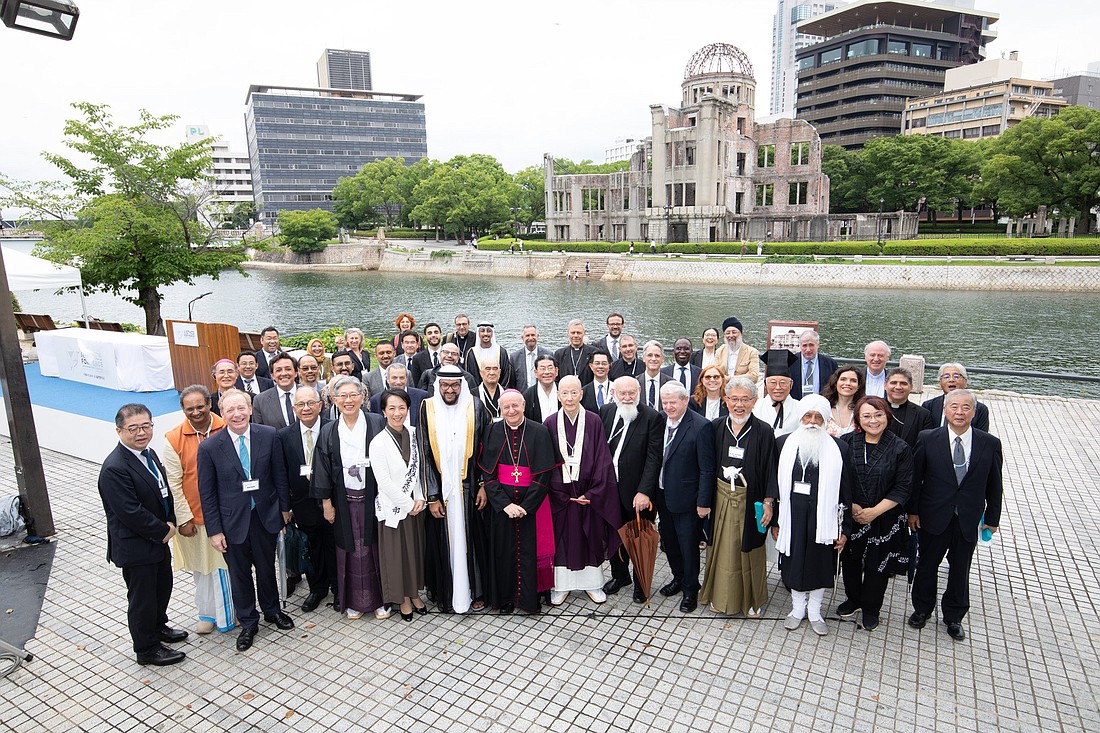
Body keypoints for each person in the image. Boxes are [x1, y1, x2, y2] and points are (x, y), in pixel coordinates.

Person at [197, 389, 293, 652]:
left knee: (266, 568)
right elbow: (207, 493)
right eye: (230, 410)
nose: (237, 414)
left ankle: (272, 611)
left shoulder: (269, 436)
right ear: (222, 413)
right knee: (239, 575)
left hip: (264, 516)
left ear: (251, 409)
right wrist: (214, 530)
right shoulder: (209, 448)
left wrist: (284, 509)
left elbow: (279, 475)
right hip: (231, 523)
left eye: (241, 408)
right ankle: (249, 622)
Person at [908, 389, 1002, 641]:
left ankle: (954, 615)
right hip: (933, 515)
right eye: (954, 407)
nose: (959, 412)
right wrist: (913, 511)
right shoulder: (928, 438)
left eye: (965, 408)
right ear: (945, 410)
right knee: (927, 564)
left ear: (974, 411)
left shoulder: (989, 443)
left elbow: (995, 484)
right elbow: (916, 479)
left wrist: (992, 519)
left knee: (961, 568)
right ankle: (922, 609)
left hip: (967, 518)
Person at [99, 403, 188, 666]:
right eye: (133, 428)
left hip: (158, 540)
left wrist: (170, 519)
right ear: (119, 431)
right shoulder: (115, 467)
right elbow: (129, 512)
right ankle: (146, 649)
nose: (141, 433)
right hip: (137, 547)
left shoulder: (147, 454)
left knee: (162, 587)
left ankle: (158, 627)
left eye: (146, 426)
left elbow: (163, 491)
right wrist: (164, 530)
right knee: (142, 599)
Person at [764, 395, 855, 636]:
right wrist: (775, 521)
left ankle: (815, 612)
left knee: (819, 565)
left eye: (818, 417)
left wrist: (845, 529)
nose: (812, 422)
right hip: (792, 517)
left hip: (824, 520)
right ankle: (796, 610)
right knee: (794, 563)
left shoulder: (840, 448)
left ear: (825, 420)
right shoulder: (783, 443)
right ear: (801, 418)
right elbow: (774, 485)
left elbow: (846, 491)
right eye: (808, 416)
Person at [310, 376, 388, 619]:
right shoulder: (329, 430)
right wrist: (326, 503)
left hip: (374, 496)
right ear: (333, 400)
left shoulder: (377, 422)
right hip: (344, 499)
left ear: (363, 396)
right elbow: (321, 467)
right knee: (350, 550)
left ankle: (381, 600)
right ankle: (353, 601)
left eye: (353, 394)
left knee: (375, 547)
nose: (348, 400)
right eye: (342, 396)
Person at [417, 365, 493, 614]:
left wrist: (483, 484)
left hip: (470, 488)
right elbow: (424, 453)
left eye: (455, 385)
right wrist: (432, 496)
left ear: (462, 385)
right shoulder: (426, 408)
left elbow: (486, 448)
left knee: (473, 540)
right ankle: (447, 594)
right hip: (442, 492)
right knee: (443, 541)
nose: (450, 390)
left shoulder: (476, 406)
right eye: (445, 385)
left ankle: (476, 591)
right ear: (438, 385)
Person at [700, 377, 776, 617]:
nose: (739, 405)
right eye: (734, 399)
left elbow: (771, 469)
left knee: (749, 549)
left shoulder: (764, 430)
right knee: (721, 548)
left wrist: (768, 502)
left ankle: (751, 600)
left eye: (745, 399)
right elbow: (706, 466)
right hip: (721, 497)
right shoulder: (715, 427)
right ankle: (719, 596)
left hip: (749, 498)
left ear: (754, 402)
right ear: (726, 401)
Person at [836, 395, 913, 631]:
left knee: (877, 565)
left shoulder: (900, 447)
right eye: (866, 415)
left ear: (887, 416)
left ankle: (871, 608)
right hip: (853, 514)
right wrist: (854, 505)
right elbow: (839, 479)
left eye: (878, 415)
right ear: (858, 418)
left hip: (885, 516)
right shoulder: (847, 442)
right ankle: (853, 598)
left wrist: (874, 512)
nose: (873, 420)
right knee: (850, 559)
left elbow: (903, 486)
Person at [543, 376, 621, 606]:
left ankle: (592, 583)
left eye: (573, 393)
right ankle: (561, 586)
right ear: (558, 395)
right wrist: (559, 492)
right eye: (564, 393)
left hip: (588, 493)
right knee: (562, 540)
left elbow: (602, 459)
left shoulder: (594, 421)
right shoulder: (549, 422)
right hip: (562, 495)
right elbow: (547, 461)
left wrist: (593, 493)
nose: (569, 398)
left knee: (590, 538)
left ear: (581, 394)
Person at [162, 386, 234, 635]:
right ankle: (207, 613)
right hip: (194, 516)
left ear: (210, 403)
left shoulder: (227, 426)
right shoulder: (173, 439)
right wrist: (184, 518)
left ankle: (230, 613)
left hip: (228, 513)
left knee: (227, 566)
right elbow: (174, 482)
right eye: (189, 408)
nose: (195, 412)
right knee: (202, 569)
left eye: (200, 406)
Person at [478, 390, 556, 614]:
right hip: (502, 507)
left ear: (523, 405)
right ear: (500, 409)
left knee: (529, 552)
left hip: (531, 506)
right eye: (506, 407)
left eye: (515, 406)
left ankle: (530, 599)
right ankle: (506, 599)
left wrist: (526, 506)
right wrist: (505, 505)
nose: (511, 411)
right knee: (504, 552)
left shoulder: (539, 432)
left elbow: (543, 475)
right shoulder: (492, 431)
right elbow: (488, 475)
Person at [600, 376, 663, 603]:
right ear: (614, 393)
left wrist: (644, 491)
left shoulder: (652, 417)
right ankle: (620, 576)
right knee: (615, 536)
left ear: (639, 392)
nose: (627, 398)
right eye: (622, 393)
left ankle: (641, 583)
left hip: (637, 493)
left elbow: (654, 457)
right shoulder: (605, 412)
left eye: (631, 393)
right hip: (610, 490)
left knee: (639, 539)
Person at [655, 381, 716, 613]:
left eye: (673, 402)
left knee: (688, 546)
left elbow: (707, 469)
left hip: (688, 500)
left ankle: (691, 588)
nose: (668, 406)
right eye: (665, 402)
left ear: (685, 400)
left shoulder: (701, 427)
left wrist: (703, 502)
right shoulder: (659, 421)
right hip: (662, 495)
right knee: (669, 543)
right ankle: (678, 578)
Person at [276, 386, 338, 613]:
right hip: (302, 504)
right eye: (301, 404)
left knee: (334, 546)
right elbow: (281, 474)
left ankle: (339, 588)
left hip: (332, 502)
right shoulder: (283, 436)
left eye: (311, 403)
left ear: (320, 405)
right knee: (311, 548)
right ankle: (317, 589)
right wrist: (285, 506)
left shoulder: (334, 429)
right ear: (294, 408)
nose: (306, 408)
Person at [370, 389, 428, 621]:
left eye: (401, 408)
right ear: (383, 411)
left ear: (408, 409)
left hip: (416, 507)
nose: (397, 413)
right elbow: (383, 481)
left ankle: (415, 594)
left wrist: (421, 497)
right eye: (391, 408)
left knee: (415, 552)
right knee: (397, 556)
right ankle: (402, 598)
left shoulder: (415, 434)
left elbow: (422, 469)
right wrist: (407, 503)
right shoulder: (378, 442)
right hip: (394, 508)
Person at [923, 363, 991, 433]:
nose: (951, 380)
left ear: (965, 382)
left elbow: (981, 437)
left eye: (956, 376)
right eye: (946, 377)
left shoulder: (980, 409)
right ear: (939, 383)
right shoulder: (929, 406)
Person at [752, 350, 801, 436]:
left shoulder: (800, 408)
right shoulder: (756, 407)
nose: (778, 388)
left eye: (783, 383)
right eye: (773, 383)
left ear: (791, 384)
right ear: (765, 384)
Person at [885, 367, 932, 448]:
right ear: (885, 385)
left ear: (911, 387)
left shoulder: (922, 415)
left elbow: (925, 445)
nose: (898, 387)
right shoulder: (873, 409)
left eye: (903, 383)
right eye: (893, 383)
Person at [251, 351, 298, 429]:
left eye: (288, 369)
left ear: (296, 372)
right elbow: (259, 431)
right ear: (272, 375)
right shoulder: (260, 401)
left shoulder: (311, 394)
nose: (283, 373)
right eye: (278, 370)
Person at [789, 330, 839, 400]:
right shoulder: (791, 362)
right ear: (800, 346)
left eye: (811, 345)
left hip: (821, 405)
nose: (808, 349)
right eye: (804, 345)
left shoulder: (830, 364)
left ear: (818, 345)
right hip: (796, 405)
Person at [465, 323, 514, 389]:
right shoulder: (471, 353)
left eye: (488, 331)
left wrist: (500, 390)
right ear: (478, 333)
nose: (485, 334)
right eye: (482, 331)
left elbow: (506, 375)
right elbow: (470, 376)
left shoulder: (501, 352)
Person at [823, 366, 866, 437]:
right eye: (843, 379)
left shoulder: (863, 410)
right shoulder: (825, 407)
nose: (848, 383)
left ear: (858, 386)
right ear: (836, 383)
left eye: (853, 380)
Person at [713, 317, 760, 382]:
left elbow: (754, 376)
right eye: (728, 333)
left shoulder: (752, 352)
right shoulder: (720, 351)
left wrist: (730, 378)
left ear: (741, 333)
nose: (731, 335)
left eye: (734, 332)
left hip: (744, 389)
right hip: (723, 388)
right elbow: (715, 372)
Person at [509, 324, 553, 393]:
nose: (530, 338)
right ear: (522, 338)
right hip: (522, 395)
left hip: (543, 393)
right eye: (527, 335)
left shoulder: (548, 354)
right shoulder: (514, 357)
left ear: (537, 337)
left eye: (533, 335)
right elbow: (512, 382)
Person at [554, 319, 597, 385]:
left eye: (579, 333)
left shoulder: (594, 353)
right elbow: (555, 378)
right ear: (568, 333)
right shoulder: (559, 354)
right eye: (573, 333)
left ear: (584, 333)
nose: (576, 336)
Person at [637, 340, 672, 413]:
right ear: (643, 358)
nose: (653, 359)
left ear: (662, 359)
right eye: (650, 355)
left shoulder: (671, 383)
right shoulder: (635, 383)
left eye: (657, 356)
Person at [523, 355, 560, 423]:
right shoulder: (528, 395)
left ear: (556, 371)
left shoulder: (563, 391)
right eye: (542, 368)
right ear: (536, 373)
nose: (546, 372)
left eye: (550, 368)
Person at [409, 322, 444, 387]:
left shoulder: (449, 355)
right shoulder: (417, 358)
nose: (433, 335)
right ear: (425, 337)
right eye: (429, 333)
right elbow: (416, 384)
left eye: (436, 332)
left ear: (441, 335)